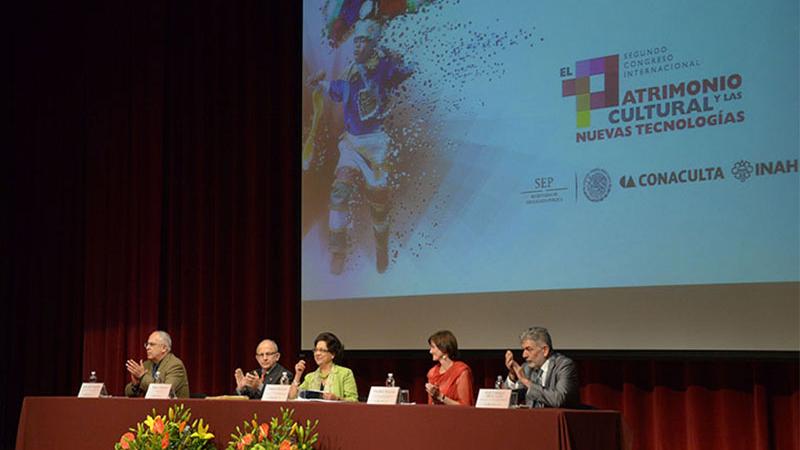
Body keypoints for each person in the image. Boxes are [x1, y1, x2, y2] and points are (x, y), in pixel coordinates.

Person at [306, 16, 412, 275]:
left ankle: (381, 247)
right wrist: (317, 83)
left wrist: (395, 57)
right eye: (356, 41)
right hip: (352, 145)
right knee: (339, 194)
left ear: (373, 44)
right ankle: (338, 251)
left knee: (379, 204)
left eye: (364, 41)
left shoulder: (384, 68)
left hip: (376, 147)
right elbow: (335, 89)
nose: (357, 46)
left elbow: (407, 70)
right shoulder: (351, 74)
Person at [504, 326, 579, 408]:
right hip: (531, 418)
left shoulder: (564, 366)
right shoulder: (526, 367)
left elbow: (558, 399)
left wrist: (527, 382)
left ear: (545, 350)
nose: (524, 355)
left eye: (529, 349)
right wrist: (512, 375)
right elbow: (507, 400)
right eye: (523, 350)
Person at [289, 332, 358, 402]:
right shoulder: (310, 377)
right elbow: (292, 398)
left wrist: (337, 399)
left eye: (322, 350)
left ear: (332, 354)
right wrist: (298, 375)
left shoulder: (345, 373)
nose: (317, 354)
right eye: (315, 350)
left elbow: (354, 401)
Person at [125, 330, 190, 398]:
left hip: (171, 407)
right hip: (148, 407)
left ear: (164, 348)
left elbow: (164, 392)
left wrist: (142, 376)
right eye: (147, 344)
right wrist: (136, 385)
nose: (147, 348)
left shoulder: (175, 365)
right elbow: (128, 393)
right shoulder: (146, 365)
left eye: (152, 344)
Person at [425, 330, 474, 406]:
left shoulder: (460, 371)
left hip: (456, 416)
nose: (430, 351)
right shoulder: (432, 373)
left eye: (433, 347)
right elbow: (431, 405)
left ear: (444, 349)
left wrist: (440, 396)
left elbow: (465, 406)